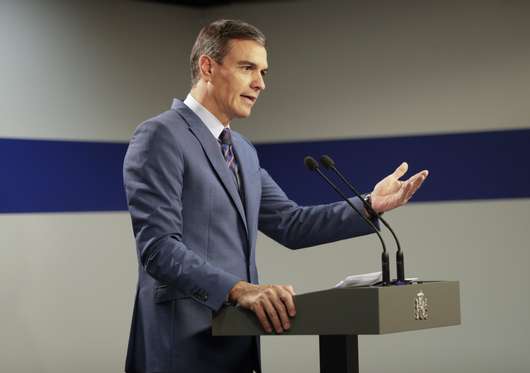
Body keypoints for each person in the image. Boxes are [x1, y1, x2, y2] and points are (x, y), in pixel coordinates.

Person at [123, 19, 428, 373]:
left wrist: (370, 204)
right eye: (247, 68)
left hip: (237, 346)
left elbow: (291, 223)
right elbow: (158, 249)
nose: (260, 83)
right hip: (181, 348)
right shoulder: (160, 136)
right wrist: (238, 290)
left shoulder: (242, 150)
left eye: (263, 72)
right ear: (207, 67)